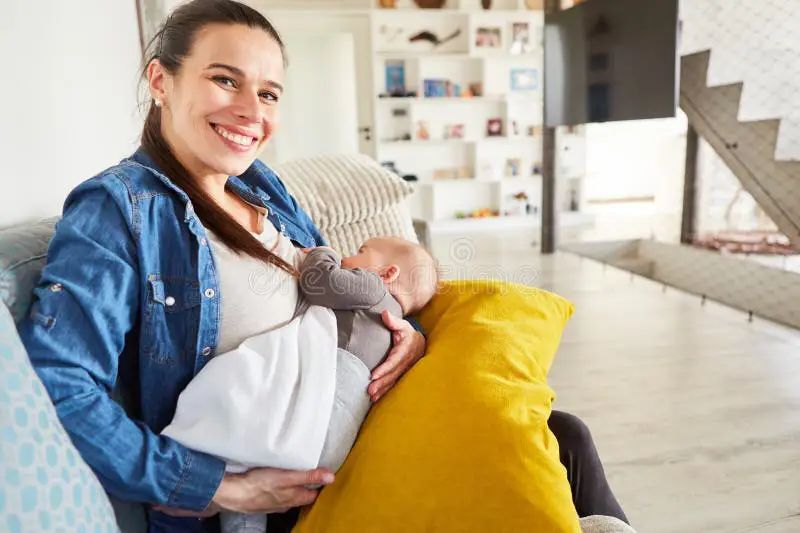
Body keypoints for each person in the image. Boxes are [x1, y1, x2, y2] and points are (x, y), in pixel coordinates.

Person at [16, 0, 627, 531]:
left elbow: (344, 289)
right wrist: (221, 489)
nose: (251, 109)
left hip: (349, 417)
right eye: (225, 80)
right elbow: (61, 387)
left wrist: (406, 337)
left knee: (561, 433)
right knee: (543, 454)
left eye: (269, 92)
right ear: (161, 80)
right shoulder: (118, 210)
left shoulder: (259, 186)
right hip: (280, 491)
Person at [163, 237, 439, 533]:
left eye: (361, 251)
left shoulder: (371, 289)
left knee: (246, 433)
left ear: (388, 274)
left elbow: (319, 281)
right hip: (329, 450)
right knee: (255, 493)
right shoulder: (392, 324)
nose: (348, 255)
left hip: (314, 420)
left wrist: (323, 253)